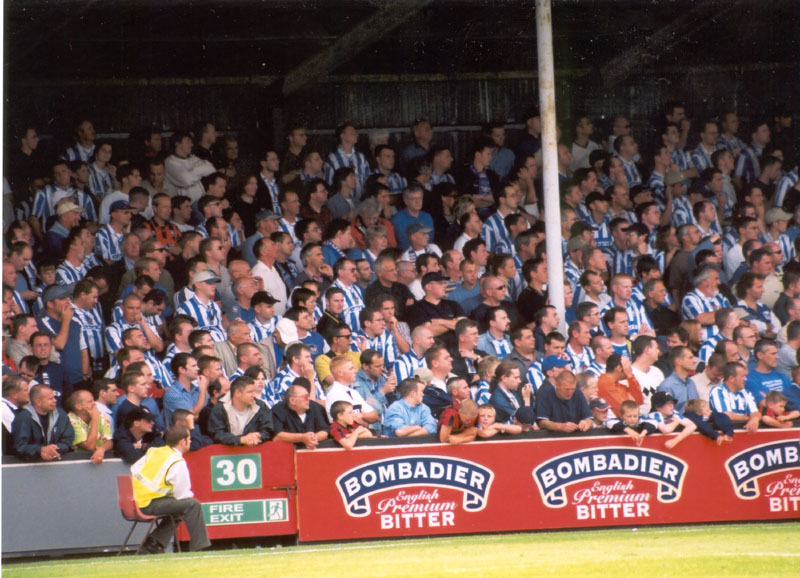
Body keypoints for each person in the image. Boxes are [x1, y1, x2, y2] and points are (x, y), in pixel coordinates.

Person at [131, 424, 211, 553]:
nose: (190, 441)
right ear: (182, 441)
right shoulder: (177, 461)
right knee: (192, 504)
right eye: (189, 439)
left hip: (136, 501)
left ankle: (154, 544)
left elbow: (134, 469)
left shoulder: (154, 451)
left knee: (180, 509)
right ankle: (200, 548)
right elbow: (182, 495)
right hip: (147, 503)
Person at [12, 384, 74, 461]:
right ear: (38, 402)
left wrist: (54, 449)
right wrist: (40, 450)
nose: (55, 400)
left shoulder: (61, 414)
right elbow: (19, 446)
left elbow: (68, 440)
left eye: (54, 397)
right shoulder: (23, 418)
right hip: (30, 466)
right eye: (50, 399)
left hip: (57, 464)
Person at [208, 376, 274, 446]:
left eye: (253, 391)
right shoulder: (219, 409)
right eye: (249, 392)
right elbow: (217, 434)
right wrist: (240, 440)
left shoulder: (261, 406)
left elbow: (268, 430)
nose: (253, 395)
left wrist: (258, 436)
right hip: (227, 454)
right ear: (238, 393)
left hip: (253, 452)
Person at [271, 384, 330, 449]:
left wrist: (312, 439)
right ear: (292, 400)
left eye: (308, 396)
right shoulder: (277, 410)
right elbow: (278, 436)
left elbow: (325, 431)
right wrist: (302, 438)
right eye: (305, 397)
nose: (308, 399)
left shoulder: (315, 407)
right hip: (287, 454)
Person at [65, 389, 113, 464]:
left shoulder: (100, 416)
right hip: (78, 463)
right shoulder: (70, 420)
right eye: (89, 401)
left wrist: (102, 449)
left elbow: (109, 441)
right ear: (79, 407)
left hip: (100, 461)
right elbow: (90, 447)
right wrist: (95, 419)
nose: (94, 403)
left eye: (93, 400)